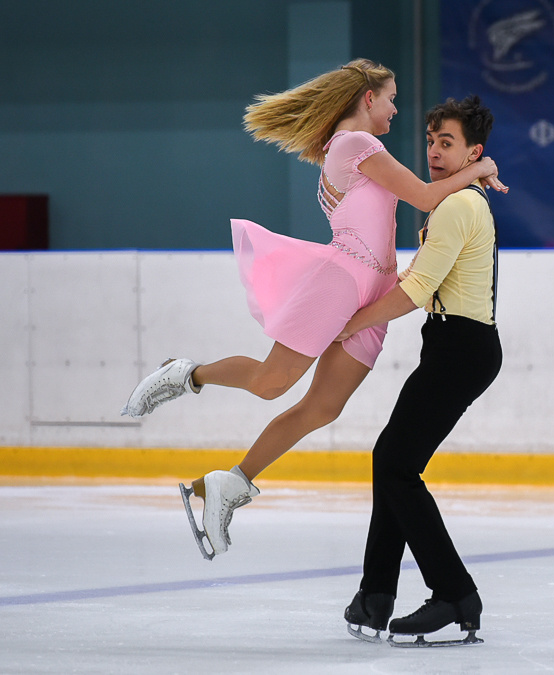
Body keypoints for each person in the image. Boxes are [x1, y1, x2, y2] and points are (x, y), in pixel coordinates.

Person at [120, 59, 506, 560]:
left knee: (323, 407)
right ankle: (185, 373)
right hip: (343, 284)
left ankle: (229, 484)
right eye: (390, 98)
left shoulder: (356, 147)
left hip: (375, 294)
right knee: (271, 382)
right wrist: (481, 168)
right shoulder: (356, 144)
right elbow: (426, 196)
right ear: (368, 98)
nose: (394, 109)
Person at [338, 95, 503, 646]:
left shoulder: (459, 206)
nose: (433, 151)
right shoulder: (457, 199)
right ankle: (376, 595)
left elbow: (414, 290)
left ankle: (454, 594)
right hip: (453, 345)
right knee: (393, 460)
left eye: (447, 143)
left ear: (473, 151)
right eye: (431, 140)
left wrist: (348, 323)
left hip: (462, 348)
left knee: (395, 465)